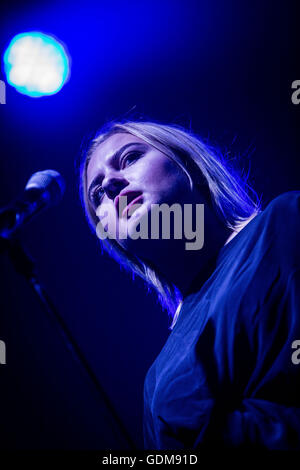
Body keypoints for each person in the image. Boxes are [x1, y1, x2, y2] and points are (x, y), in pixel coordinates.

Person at [79, 119, 300, 450]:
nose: (110, 183)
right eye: (97, 195)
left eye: (130, 158)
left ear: (187, 163)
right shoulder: (156, 383)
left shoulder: (286, 221)